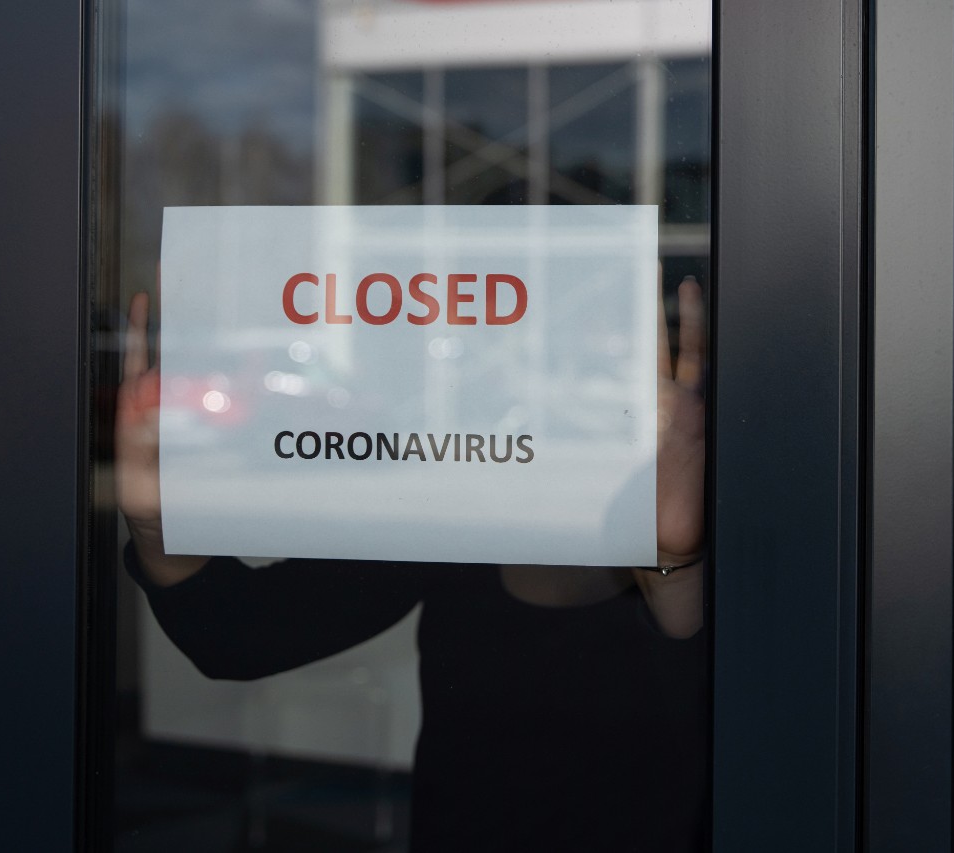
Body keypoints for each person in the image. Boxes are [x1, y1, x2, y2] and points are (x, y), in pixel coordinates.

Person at [116, 277, 708, 852]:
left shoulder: (724, 497)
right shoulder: (459, 505)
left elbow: (723, 695)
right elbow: (243, 635)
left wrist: (675, 567)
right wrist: (157, 527)